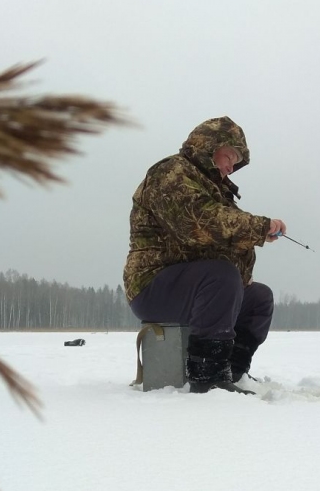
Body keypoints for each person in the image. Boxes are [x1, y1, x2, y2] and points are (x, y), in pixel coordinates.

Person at [122, 116, 286, 393]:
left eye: (236, 161)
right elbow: (200, 222)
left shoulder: (216, 190)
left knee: (258, 297)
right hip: (152, 287)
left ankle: (232, 371)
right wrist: (258, 227)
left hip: (193, 288)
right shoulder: (172, 173)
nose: (231, 166)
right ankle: (207, 376)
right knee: (220, 276)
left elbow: (227, 240)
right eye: (229, 156)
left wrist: (255, 235)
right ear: (210, 146)